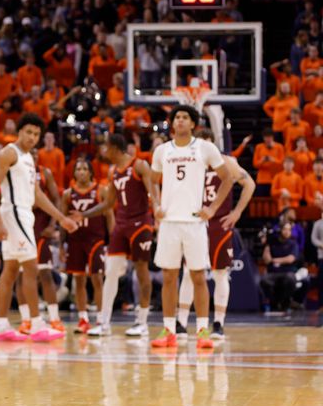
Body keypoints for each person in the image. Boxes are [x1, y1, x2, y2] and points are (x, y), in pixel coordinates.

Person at [0, 113, 78, 342]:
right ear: (19, 131)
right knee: (30, 267)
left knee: (9, 271)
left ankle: (0, 325)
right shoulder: (9, 153)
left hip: (24, 213)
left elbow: (37, 195)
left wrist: (61, 218)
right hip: (14, 212)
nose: (32, 137)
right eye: (29, 132)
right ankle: (37, 324)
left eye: (36, 134)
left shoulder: (29, 158)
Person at [150, 105, 233, 350]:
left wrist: (213, 208)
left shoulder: (205, 148)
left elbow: (227, 178)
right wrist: (155, 203)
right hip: (169, 223)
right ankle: (168, 329)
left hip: (195, 222)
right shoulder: (162, 151)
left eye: (185, 117)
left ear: (193, 124)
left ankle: (202, 330)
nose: (180, 121)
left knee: (198, 277)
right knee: (168, 277)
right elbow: (153, 182)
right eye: (177, 117)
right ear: (172, 123)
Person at [75, 134, 159, 338]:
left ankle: (142, 321)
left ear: (114, 148)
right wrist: (83, 215)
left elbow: (153, 189)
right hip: (121, 225)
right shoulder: (113, 171)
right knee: (111, 271)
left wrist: (157, 207)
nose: (103, 153)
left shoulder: (139, 165)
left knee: (141, 269)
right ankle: (103, 323)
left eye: (106, 148)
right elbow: (108, 203)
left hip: (141, 223)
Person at [176, 129, 255, 340]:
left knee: (220, 273)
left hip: (219, 224)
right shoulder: (189, 162)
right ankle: (181, 322)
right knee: (188, 273)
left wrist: (237, 212)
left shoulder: (226, 162)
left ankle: (218, 323)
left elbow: (250, 184)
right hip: (195, 223)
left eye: (207, 143)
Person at [16, 153, 66, 336]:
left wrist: (53, 225)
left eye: (35, 154)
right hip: (21, 227)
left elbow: (56, 199)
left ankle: (54, 319)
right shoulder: (15, 172)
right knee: (20, 276)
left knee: (45, 274)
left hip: (41, 229)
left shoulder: (45, 173)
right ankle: (26, 320)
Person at [63, 159, 113, 334]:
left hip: (96, 239)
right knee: (78, 280)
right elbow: (63, 219)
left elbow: (109, 216)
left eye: (85, 168)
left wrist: (112, 239)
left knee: (97, 278)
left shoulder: (101, 190)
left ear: (91, 172)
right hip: (75, 240)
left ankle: (101, 318)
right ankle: (83, 318)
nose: (82, 172)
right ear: (74, 173)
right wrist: (63, 245)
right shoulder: (68, 194)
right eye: (79, 169)